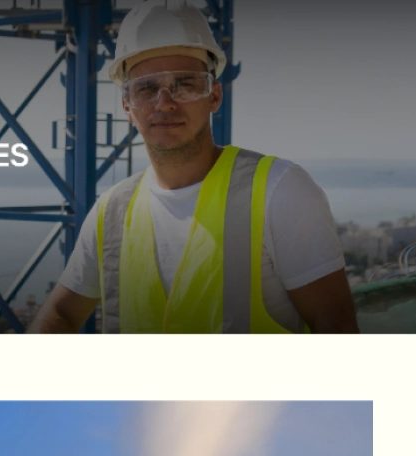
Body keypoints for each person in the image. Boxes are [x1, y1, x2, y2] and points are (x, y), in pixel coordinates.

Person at [29, 0, 358, 333]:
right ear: (127, 106)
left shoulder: (280, 190)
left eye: (186, 84)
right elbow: (62, 313)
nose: (165, 103)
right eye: (146, 89)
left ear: (214, 96)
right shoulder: (111, 211)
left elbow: (335, 326)